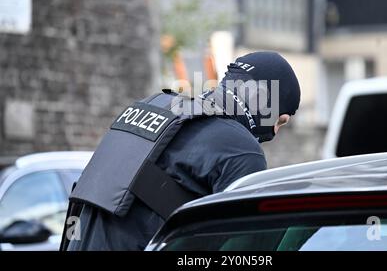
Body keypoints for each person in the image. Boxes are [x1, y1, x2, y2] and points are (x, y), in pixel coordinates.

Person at [65, 51, 301, 250]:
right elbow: (244, 251)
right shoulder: (242, 150)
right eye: (280, 121)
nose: (275, 132)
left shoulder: (154, 104)